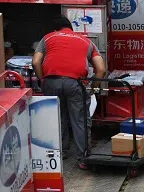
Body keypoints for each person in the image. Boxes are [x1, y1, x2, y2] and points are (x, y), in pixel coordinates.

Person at [32, 16, 106, 169]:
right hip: (76, 83)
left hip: (51, 81)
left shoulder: (48, 38)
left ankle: (60, 152)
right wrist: (93, 87)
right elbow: (101, 69)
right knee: (79, 120)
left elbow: (36, 61)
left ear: (55, 30)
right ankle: (83, 158)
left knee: (57, 117)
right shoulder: (86, 41)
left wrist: (42, 80)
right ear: (71, 28)